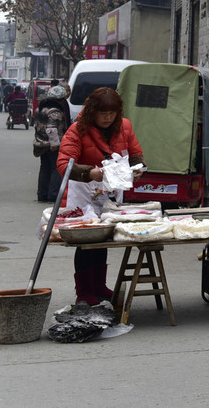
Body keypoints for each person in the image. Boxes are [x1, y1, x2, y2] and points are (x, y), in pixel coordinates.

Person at [56, 87, 146, 306]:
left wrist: (139, 167)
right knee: (86, 243)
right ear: (92, 111)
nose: (108, 118)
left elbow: (135, 155)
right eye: (103, 113)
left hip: (110, 194)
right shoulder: (77, 130)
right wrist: (89, 172)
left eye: (112, 113)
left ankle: (99, 287)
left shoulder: (124, 126)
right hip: (84, 195)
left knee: (104, 239)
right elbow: (63, 164)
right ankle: (84, 292)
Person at [32, 85, 71, 203]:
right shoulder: (55, 112)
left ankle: (42, 194)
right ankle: (53, 195)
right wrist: (54, 144)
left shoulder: (40, 109)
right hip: (52, 144)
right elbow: (51, 129)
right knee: (56, 169)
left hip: (40, 143)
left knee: (44, 168)